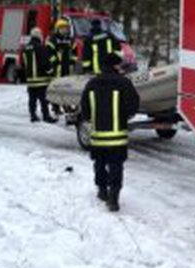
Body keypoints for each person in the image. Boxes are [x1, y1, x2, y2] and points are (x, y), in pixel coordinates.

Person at [79, 52, 139, 212]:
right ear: (115, 66)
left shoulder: (91, 84)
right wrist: (123, 117)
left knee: (99, 163)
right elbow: (134, 105)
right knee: (116, 165)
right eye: (120, 65)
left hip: (97, 136)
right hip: (117, 136)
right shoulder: (124, 83)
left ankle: (102, 191)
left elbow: (84, 111)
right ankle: (114, 197)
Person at [22, 28, 57, 123]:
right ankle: (46, 116)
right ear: (39, 36)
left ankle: (33, 115)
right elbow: (44, 62)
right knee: (43, 99)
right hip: (41, 79)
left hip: (30, 79)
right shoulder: (40, 47)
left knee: (32, 99)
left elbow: (24, 63)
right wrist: (51, 72)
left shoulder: (25, 48)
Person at [48, 18, 78, 115]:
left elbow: (75, 52)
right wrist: (55, 61)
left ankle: (67, 106)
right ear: (57, 29)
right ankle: (55, 107)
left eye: (66, 28)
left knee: (67, 88)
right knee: (57, 88)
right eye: (62, 28)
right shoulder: (52, 39)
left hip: (67, 68)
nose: (64, 30)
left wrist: (72, 62)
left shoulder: (70, 40)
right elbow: (48, 52)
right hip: (57, 68)